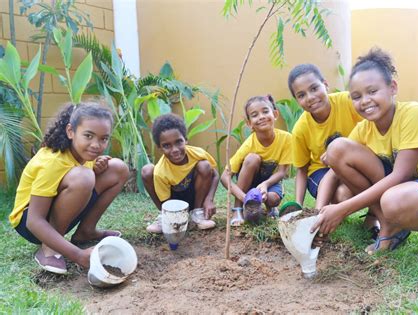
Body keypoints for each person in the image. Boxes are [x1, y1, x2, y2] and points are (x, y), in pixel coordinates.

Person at [311, 48, 418, 264]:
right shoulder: (364, 128)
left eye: (372, 91)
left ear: (392, 87)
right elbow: (332, 170)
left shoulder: (412, 113)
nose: (365, 101)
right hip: (408, 189)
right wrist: (319, 213)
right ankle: (390, 227)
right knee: (336, 149)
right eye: (356, 97)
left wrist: (341, 210)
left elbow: (401, 175)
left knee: (393, 200)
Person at [9, 102, 129, 274]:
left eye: (103, 138)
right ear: (70, 131)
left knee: (117, 168)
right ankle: (49, 249)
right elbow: (34, 220)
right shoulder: (53, 161)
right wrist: (78, 255)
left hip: (54, 213)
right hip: (31, 223)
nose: (96, 145)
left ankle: (85, 232)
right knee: (84, 177)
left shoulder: (83, 154)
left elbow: (72, 177)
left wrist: (95, 167)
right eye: (88, 136)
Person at [288, 64, 379, 235]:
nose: (310, 97)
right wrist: (298, 206)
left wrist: (338, 153)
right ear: (297, 100)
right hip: (320, 171)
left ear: (326, 84)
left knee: (350, 189)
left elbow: (372, 130)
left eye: (314, 88)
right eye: (301, 95)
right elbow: (301, 170)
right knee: (342, 195)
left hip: (352, 162)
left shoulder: (347, 102)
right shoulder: (301, 129)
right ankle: (325, 213)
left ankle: (373, 216)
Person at [220, 95, 292, 225]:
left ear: (275, 114)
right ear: (249, 123)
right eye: (254, 115)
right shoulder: (249, 145)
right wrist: (243, 197)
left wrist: (265, 185)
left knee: (274, 199)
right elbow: (225, 177)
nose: (261, 117)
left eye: (265, 111)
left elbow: (282, 172)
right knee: (252, 159)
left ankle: (268, 206)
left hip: (270, 182)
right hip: (249, 182)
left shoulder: (286, 139)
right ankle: (238, 208)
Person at [143, 113, 219, 233]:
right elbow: (166, 200)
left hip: (195, 196)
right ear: (159, 148)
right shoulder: (160, 172)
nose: (175, 150)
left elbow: (215, 175)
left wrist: (209, 199)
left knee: (204, 166)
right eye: (167, 145)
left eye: (179, 142)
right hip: (172, 201)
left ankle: (197, 214)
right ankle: (166, 217)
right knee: (147, 170)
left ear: (186, 140)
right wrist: (172, 214)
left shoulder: (198, 153)